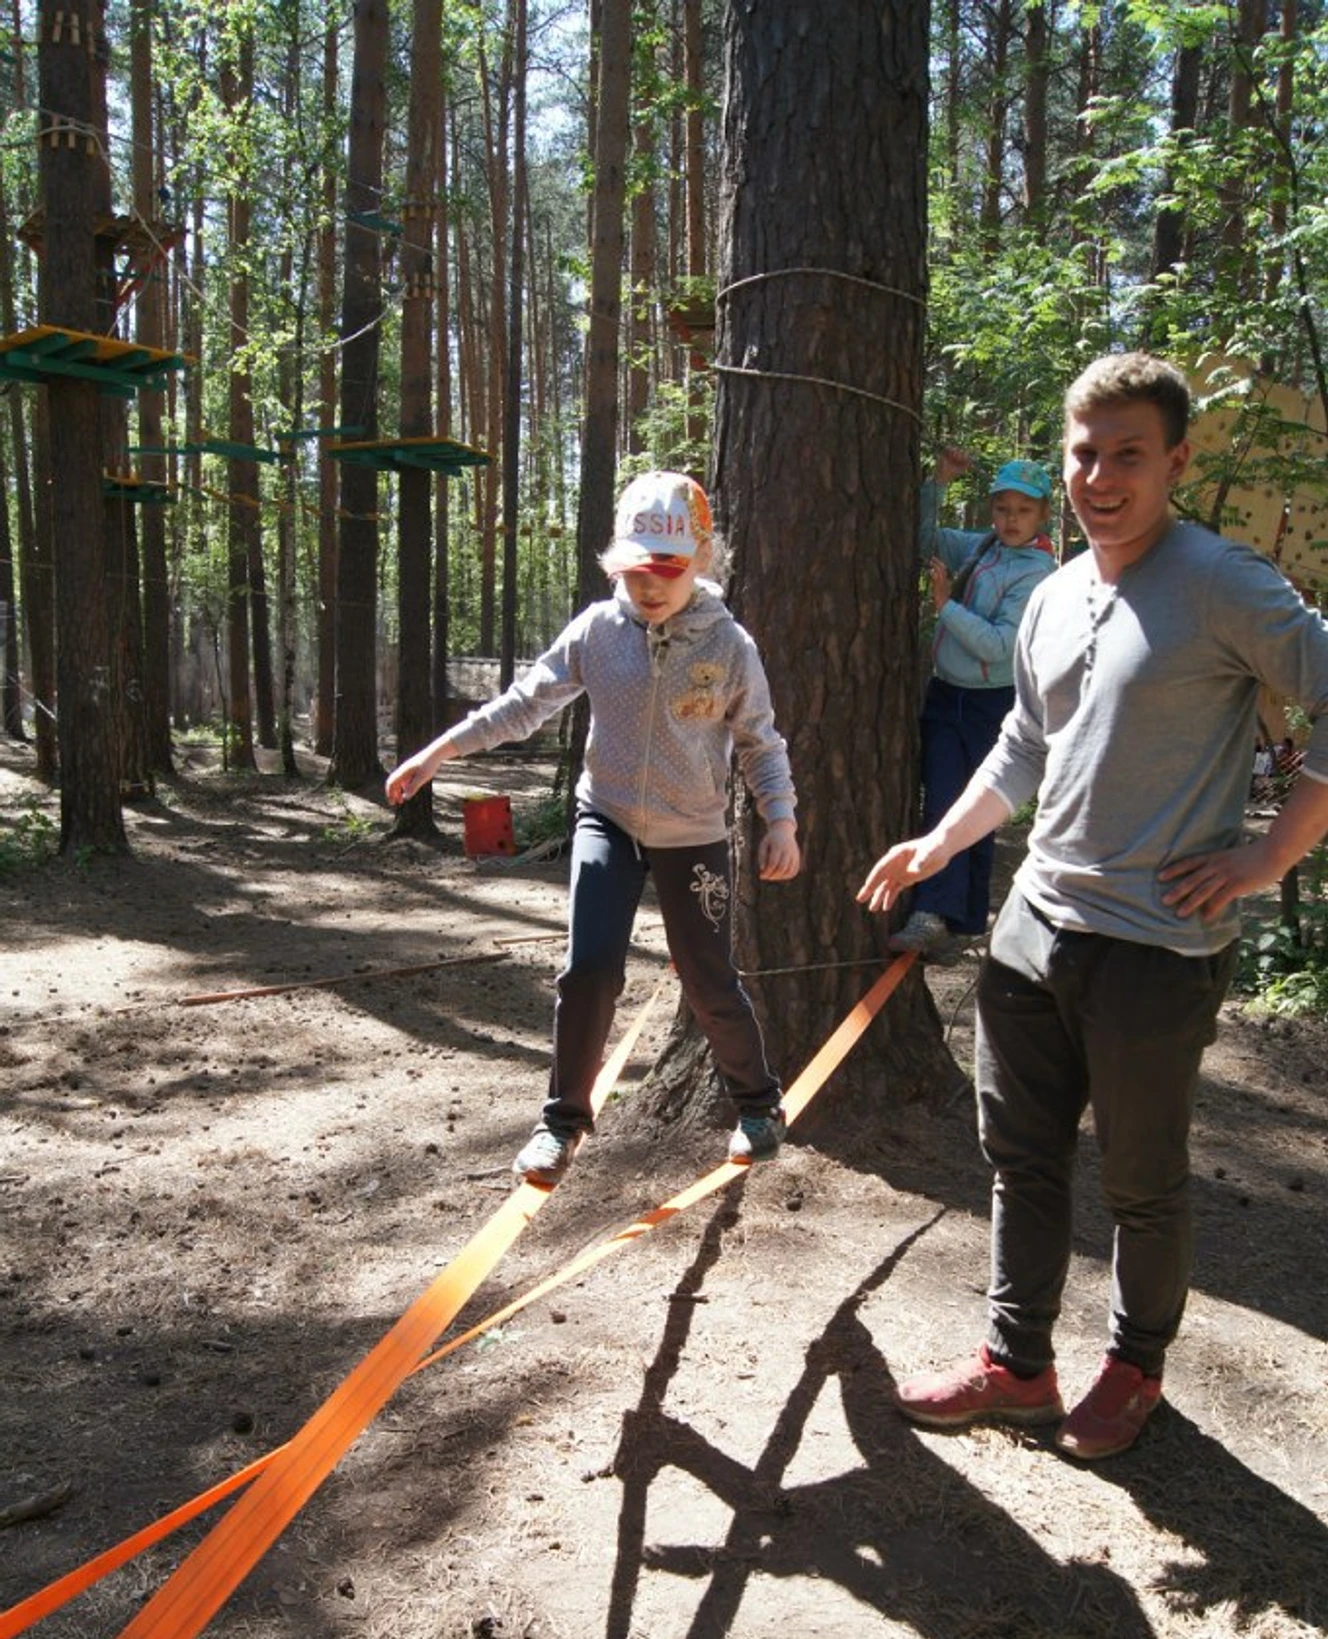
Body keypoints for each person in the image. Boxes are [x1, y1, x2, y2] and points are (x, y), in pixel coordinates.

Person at [858, 351, 1328, 1460]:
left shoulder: (1220, 580)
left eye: (1128, 454)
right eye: (1084, 453)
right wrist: (940, 842)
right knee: (1020, 1160)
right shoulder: (1053, 593)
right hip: (1032, 928)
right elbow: (1024, 742)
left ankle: (1133, 1367)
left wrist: (1268, 856)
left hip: (1157, 943)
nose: (1100, 477)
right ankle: (1017, 1366)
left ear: (1176, 461)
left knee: (1140, 1180)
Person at [386, 470, 801, 1187]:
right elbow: (524, 704)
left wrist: (781, 819)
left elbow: (760, 741)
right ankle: (561, 1123)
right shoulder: (598, 631)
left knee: (708, 978)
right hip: (606, 815)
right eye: (636, 570)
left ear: (701, 560)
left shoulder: (730, 645)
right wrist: (438, 753)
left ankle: (760, 1106)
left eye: (667, 570)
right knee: (589, 970)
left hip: (692, 830)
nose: (650, 586)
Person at [888, 451, 1056, 963]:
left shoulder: (1038, 573)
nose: (1010, 519)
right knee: (954, 803)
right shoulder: (983, 547)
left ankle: (934, 916)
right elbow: (923, 538)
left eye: (1023, 510)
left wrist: (946, 607)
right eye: (1002, 508)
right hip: (948, 693)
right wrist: (938, 481)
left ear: (1043, 514)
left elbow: (999, 646)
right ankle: (959, 921)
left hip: (990, 704)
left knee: (959, 807)